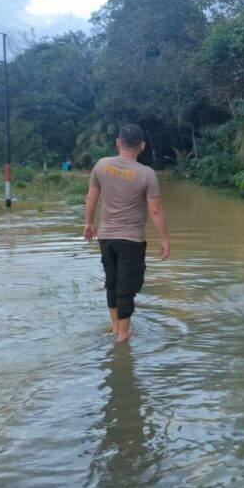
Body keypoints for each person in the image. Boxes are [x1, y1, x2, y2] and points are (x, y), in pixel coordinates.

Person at [84, 124, 169, 342]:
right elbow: (156, 209)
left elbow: (91, 198)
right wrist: (164, 239)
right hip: (131, 239)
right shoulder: (147, 174)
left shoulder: (101, 166)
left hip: (106, 237)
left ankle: (114, 326)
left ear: (118, 142)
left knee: (112, 282)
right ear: (142, 146)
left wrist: (88, 223)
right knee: (126, 287)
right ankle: (123, 336)